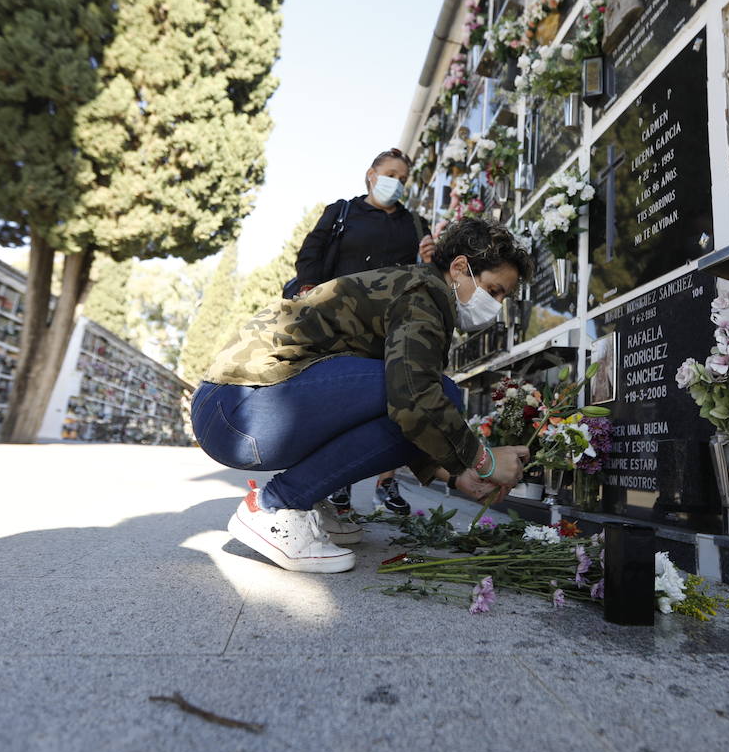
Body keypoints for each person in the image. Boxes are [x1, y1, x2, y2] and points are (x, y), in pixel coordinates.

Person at [191, 216, 533, 573]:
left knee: (424, 393)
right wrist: (483, 460)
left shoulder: (422, 291)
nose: (496, 305)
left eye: (503, 297)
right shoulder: (424, 294)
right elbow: (413, 398)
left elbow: (397, 407)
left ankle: (305, 497)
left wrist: (456, 474)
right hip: (238, 409)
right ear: (461, 267)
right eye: (494, 290)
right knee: (434, 393)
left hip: (234, 411)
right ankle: (275, 506)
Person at [293, 148, 435, 516]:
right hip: (339, 321)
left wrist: (431, 258)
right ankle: (339, 478)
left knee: (391, 398)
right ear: (371, 174)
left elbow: (426, 275)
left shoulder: (416, 224)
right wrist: (309, 287)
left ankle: (385, 483)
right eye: (391, 174)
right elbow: (311, 251)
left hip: (389, 325)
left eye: (403, 178)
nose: (397, 183)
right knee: (342, 400)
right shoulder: (342, 212)